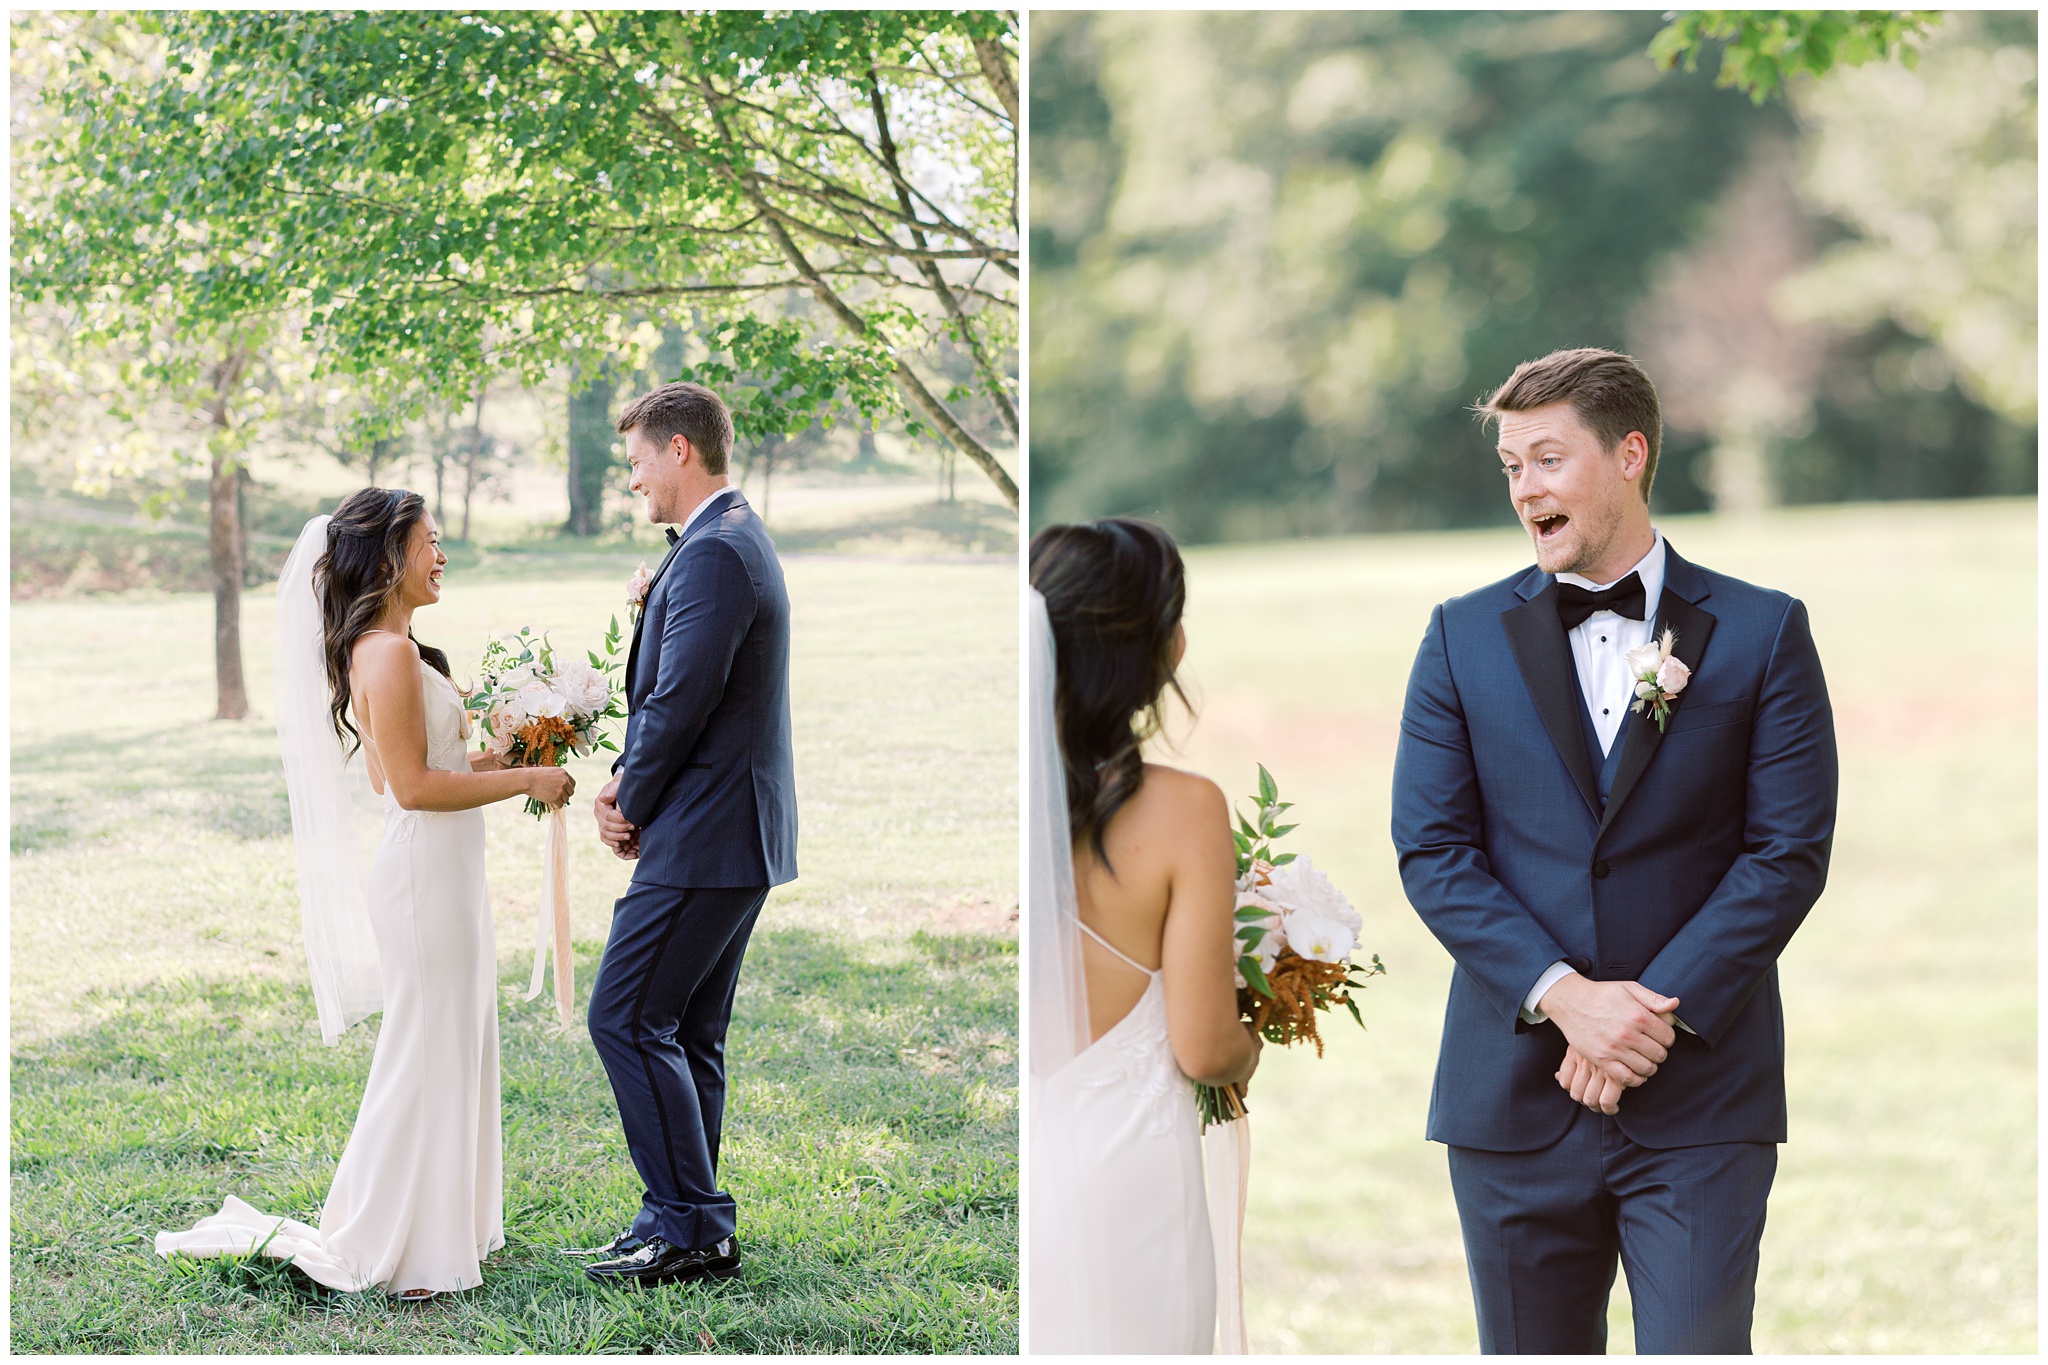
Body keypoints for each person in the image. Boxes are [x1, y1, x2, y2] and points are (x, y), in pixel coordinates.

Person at [1392, 348, 1838, 1353]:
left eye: (1545, 459)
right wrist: (1565, 997)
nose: (1522, 489)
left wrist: (1643, 1018)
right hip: (1509, 1102)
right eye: (1510, 467)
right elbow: (1431, 852)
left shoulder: (1762, 632)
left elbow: (1785, 853)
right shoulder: (1458, 638)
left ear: (1628, 454)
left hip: (1697, 1104)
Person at [156, 487, 573, 1300]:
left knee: (454, 1039)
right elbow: (411, 789)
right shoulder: (384, 653)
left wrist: (523, 747)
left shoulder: (398, 649)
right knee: (425, 1047)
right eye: (429, 540)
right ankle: (401, 1240)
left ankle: (439, 1227)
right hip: (423, 877)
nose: (441, 553)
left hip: (442, 874)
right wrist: (530, 777)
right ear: (388, 558)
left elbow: (402, 770)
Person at [568, 381, 798, 1288]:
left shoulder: (713, 552)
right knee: (689, 1028)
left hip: (706, 831)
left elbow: (679, 702)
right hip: (733, 830)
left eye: (634, 463)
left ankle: (694, 1227)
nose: (631, 483)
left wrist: (628, 795)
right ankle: (680, 1213)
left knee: (624, 1014)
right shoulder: (723, 538)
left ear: (679, 451)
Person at [1026, 517, 1261, 1354]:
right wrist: (1254, 1036)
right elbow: (1204, 1048)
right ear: (1154, 648)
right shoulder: (1185, 811)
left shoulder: (1019, 799)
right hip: (1133, 1189)